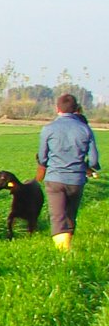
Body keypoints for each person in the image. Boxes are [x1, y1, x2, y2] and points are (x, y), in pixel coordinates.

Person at [37, 93, 99, 250]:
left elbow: (43, 158)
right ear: (76, 109)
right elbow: (93, 161)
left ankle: (63, 254)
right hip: (76, 180)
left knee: (58, 215)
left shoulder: (48, 129)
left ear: (57, 108)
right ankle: (67, 247)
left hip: (55, 179)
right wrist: (86, 166)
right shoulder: (85, 129)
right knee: (70, 215)